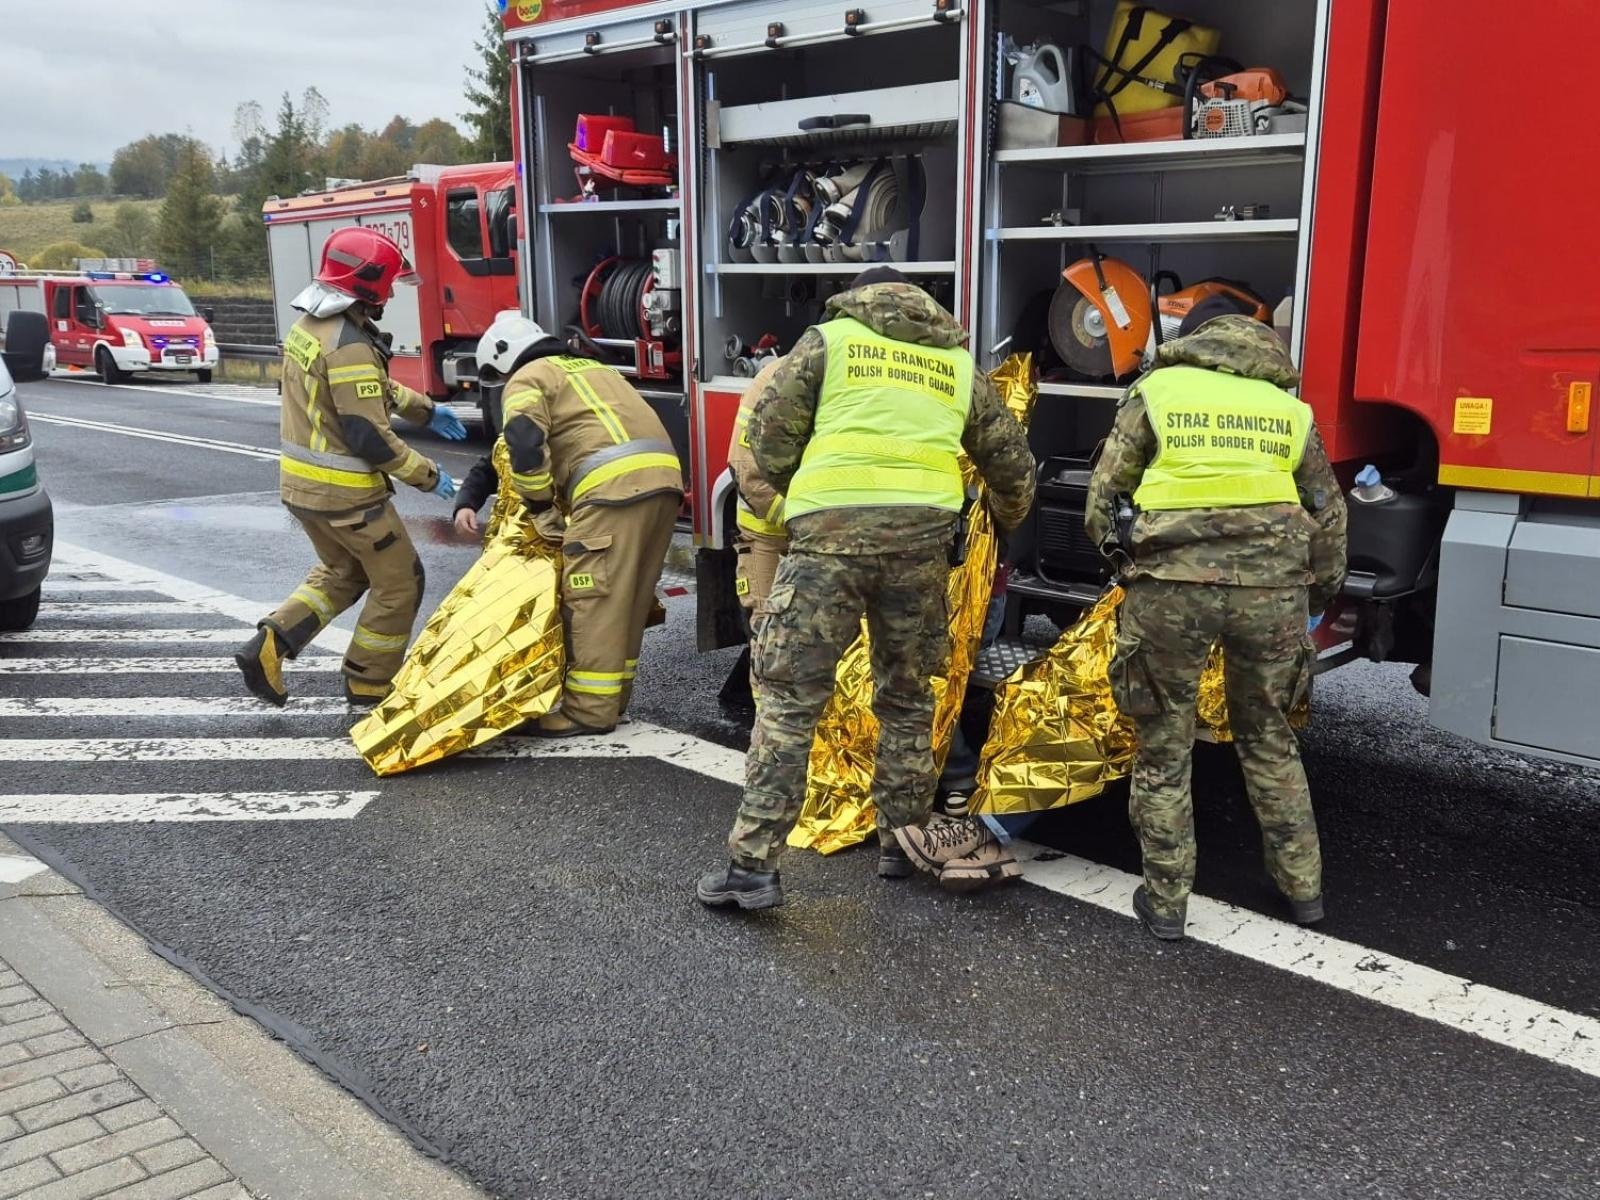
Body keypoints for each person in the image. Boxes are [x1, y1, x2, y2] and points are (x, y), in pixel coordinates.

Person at [696, 267, 1037, 911]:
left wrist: (813, 498)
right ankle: (900, 843)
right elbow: (1013, 465)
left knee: (789, 701)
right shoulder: (956, 363)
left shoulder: (829, 342)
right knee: (907, 698)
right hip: (921, 550)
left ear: (858, 298)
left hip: (827, 544)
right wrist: (1005, 524)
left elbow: (767, 438)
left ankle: (753, 869)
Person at [1084, 305, 1348, 940]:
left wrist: (1125, 567)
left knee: (1164, 743)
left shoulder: (1158, 392)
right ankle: (1303, 889)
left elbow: (1103, 500)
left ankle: (1166, 902)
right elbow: (1329, 514)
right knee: (1269, 736)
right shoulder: (1289, 410)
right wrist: (1320, 592)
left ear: (1196, 340)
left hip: (1172, 588)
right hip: (1272, 594)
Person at [235, 227, 465, 709]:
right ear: (370, 284)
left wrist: (425, 410)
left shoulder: (311, 328)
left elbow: (367, 390)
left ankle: (270, 645)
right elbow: (368, 435)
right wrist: (428, 475)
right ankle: (369, 682)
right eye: (389, 286)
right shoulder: (350, 344)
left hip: (304, 490)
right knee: (401, 582)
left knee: (345, 571)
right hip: (348, 497)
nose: (391, 296)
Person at [475, 311, 683, 737]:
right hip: (664, 484)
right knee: (628, 598)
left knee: (594, 599)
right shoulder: (593, 368)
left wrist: (540, 508)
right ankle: (613, 700)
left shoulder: (527, 378)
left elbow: (524, 441)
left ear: (504, 358)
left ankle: (588, 711)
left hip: (610, 490)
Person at [718, 355, 789, 707]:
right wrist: (804, 522)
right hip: (768, 532)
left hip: (818, 533)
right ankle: (768, 727)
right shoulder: (776, 379)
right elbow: (746, 469)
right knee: (771, 631)